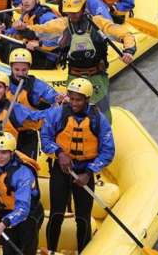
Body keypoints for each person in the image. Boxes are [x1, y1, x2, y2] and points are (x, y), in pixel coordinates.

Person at [12, 0, 136, 122]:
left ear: (83, 7)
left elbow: (125, 35)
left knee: (102, 116)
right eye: (69, 12)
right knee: (73, 115)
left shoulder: (98, 23)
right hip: (74, 76)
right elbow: (39, 30)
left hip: (97, 76)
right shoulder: (63, 24)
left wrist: (128, 50)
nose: (72, 15)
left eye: (75, 12)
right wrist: (24, 29)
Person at [40, 78, 115, 253]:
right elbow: (45, 138)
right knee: (56, 215)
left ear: (87, 99)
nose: (74, 103)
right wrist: (59, 153)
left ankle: (83, 250)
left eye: (78, 100)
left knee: (82, 219)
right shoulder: (57, 114)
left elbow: (108, 151)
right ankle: (51, 251)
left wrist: (88, 173)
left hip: (84, 173)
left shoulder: (98, 120)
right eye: (71, 98)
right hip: (61, 170)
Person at [0, 132, 44, 255]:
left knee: (25, 250)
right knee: (8, 251)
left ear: (12, 153)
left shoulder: (23, 174)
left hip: (28, 216)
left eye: (4, 153)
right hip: (6, 213)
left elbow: (23, 209)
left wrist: (4, 223)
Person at [0, 0, 59, 69]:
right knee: (1, 43)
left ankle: (14, 71)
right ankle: (10, 69)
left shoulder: (46, 17)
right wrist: (2, 32)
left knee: (14, 48)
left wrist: (39, 44)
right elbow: (13, 31)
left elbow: (58, 39)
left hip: (47, 57)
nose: (26, 1)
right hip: (32, 51)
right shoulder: (26, 15)